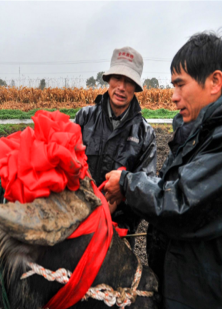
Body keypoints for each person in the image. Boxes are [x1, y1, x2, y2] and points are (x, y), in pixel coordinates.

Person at [105, 32, 222, 308]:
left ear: (214, 81)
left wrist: (127, 183)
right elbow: (164, 185)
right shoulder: (198, 136)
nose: (173, 97)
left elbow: (179, 203)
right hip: (198, 291)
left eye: (180, 85)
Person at [75, 46, 157, 240]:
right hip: (78, 223)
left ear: (136, 88)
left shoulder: (145, 134)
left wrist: (123, 193)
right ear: (108, 80)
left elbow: (146, 187)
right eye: (117, 78)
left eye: (129, 82)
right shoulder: (84, 118)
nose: (121, 87)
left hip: (119, 233)